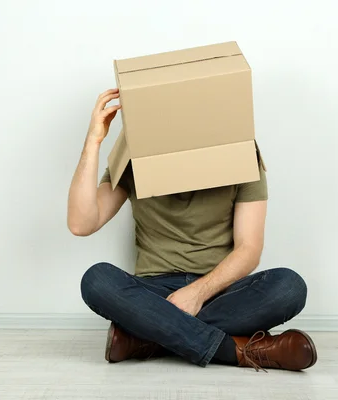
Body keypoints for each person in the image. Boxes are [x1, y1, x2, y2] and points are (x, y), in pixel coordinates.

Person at [67, 88, 317, 372]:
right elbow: (81, 223)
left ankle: (148, 338)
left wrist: (197, 293)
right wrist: (93, 141)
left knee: (289, 287)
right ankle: (236, 351)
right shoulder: (135, 152)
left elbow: (249, 249)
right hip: (153, 290)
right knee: (97, 280)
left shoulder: (241, 153)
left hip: (218, 290)